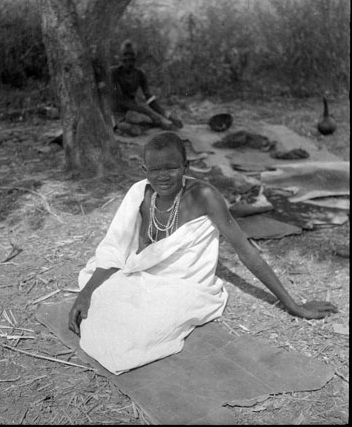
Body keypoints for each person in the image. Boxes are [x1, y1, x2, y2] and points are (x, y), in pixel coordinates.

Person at [68, 132, 337, 375]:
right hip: (143, 274)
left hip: (185, 283)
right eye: (155, 169)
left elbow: (245, 251)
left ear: (186, 167)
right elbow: (116, 248)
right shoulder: (141, 193)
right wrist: (87, 292)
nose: (164, 176)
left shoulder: (204, 196)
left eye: (172, 167)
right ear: (144, 170)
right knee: (99, 305)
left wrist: (294, 306)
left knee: (134, 338)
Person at [111, 39, 183, 136]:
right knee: (143, 117)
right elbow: (121, 100)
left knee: (152, 118)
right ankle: (125, 126)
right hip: (118, 111)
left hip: (135, 110)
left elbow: (150, 99)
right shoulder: (115, 73)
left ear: (135, 58)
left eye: (131, 57)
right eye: (125, 56)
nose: (128, 61)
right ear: (121, 58)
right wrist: (148, 112)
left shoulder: (140, 74)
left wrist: (168, 115)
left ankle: (134, 128)